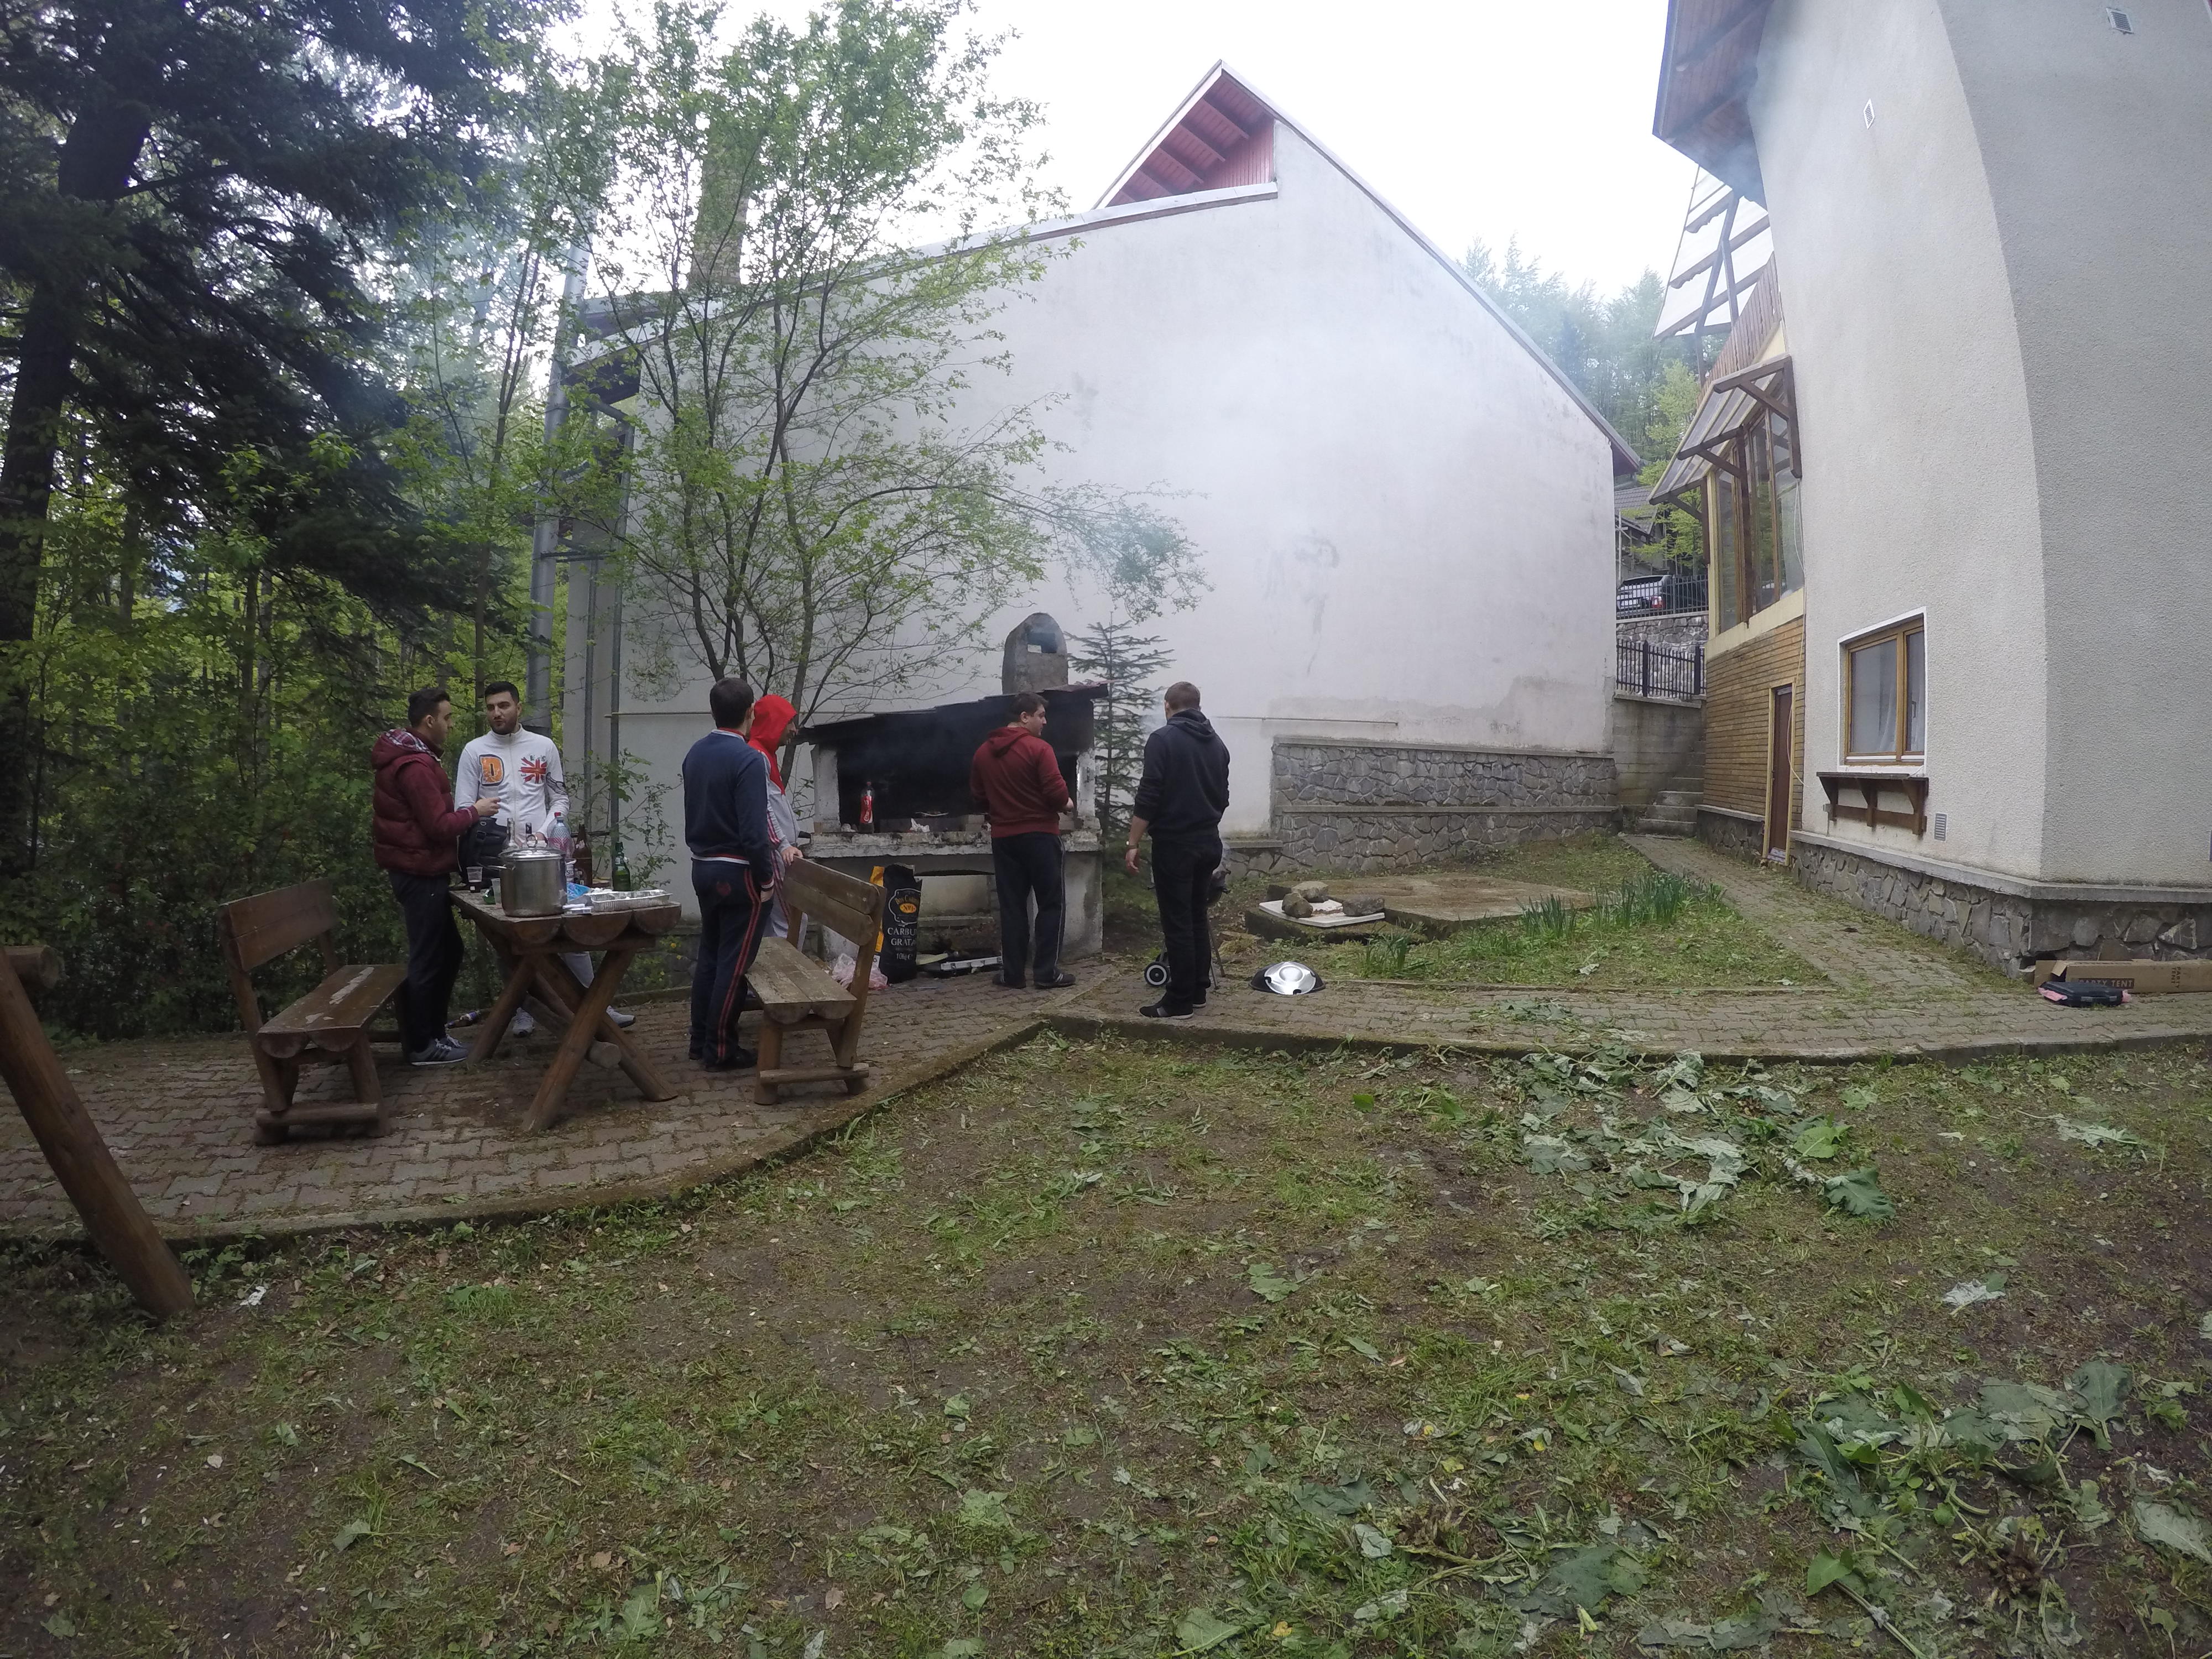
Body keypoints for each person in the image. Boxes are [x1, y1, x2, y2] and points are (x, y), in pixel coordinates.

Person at [455, 681, 633, 1031]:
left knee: (571, 929)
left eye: (503, 706)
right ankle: (524, 1008)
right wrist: (482, 818)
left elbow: (560, 799)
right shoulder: (474, 751)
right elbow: (462, 807)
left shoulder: (543, 747)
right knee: (511, 936)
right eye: (490, 707)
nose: (496, 713)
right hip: (499, 858)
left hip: (545, 855)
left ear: (518, 707)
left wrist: (545, 831)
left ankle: (597, 1006)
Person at [373, 687, 499, 1064]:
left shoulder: (417, 759)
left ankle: (435, 1033)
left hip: (423, 870)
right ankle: (422, 1045)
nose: (451, 724)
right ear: (429, 721)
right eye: (447, 718)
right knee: (429, 957)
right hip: (418, 873)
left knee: (449, 951)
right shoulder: (414, 767)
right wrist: (476, 811)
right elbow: (439, 827)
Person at [682, 677, 778, 1069]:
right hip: (738, 873)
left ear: (713, 711)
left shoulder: (695, 753)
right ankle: (721, 1050)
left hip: (702, 868)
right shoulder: (748, 759)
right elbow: (754, 832)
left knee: (710, 955)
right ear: (751, 712)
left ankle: (699, 1040)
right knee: (734, 965)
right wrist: (767, 880)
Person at [1124, 680, 1229, 1019]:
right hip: (1208, 843)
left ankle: (1179, 1001)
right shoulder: (1218, 745)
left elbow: (1149, 794)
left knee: (1178, 922)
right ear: (1198, 706)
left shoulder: (1163, 739)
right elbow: (1224, 797)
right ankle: (1197, 990)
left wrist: (1133, 842)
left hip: (1175, 845)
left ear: (1168, 706)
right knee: (1196, 915)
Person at [970, 691, 1076, 990]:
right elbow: (1056, 794)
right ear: (1024, 717)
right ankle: (1046, 974)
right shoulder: (1040, 749)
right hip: (1041, 837)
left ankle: (1013, 974)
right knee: (1050, 904)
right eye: (1041, 716)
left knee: (1012, 907)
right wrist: (1067, 804)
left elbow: (978, 797)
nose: (1045, 722)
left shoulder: (983, 753)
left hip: (1004, 839)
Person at [747, 693, 807, 939]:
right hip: (776, 854)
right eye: (788, 722)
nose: (794, 729)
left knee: (776, 924)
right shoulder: (758, 756)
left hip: (779, 851)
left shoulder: (765, 754)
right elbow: (764, 808)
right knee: (792, 921)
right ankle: (790, 965)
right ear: (773, 722)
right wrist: (783, 844)